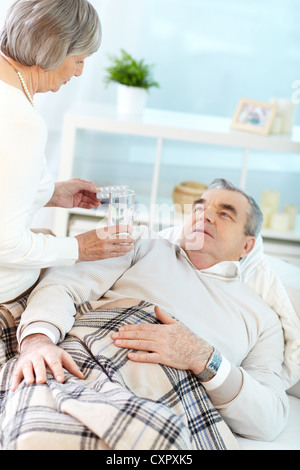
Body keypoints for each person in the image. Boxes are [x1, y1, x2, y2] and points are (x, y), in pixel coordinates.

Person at [11, 179, 288, 441]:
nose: (206, 216)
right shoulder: (141, 244)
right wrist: (37, 341)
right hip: (80, 367)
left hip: (169, 405)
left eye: (225, 214)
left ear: (247, 245)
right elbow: (63, 285)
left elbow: (270, 418)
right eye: (200, 207)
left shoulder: (261, 318)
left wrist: (202, 357)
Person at [0, 0, 134, 304]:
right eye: (80, 59)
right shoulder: (22, 122)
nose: (79, 72)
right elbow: (5, 243)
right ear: (53, 48)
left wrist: (48, 192)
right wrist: (80, 248)